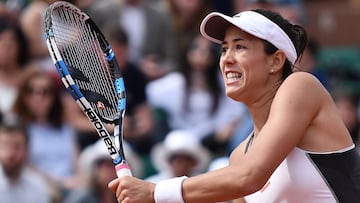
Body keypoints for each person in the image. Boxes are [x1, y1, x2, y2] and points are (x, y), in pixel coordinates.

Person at [108, 8, 360, 203]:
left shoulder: (302, 86)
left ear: (276, 61)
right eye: (224, 49)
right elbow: (242, 177)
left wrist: (154, 191)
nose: (227, 59)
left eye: (240, 47)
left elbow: (249, 177)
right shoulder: (239, 156)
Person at [11, 66, 82, 201]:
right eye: (31, 91)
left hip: (72, 188)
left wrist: (81, 180)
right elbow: (25, 166)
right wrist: (59, 182)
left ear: (53, 97)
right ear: (23, 96)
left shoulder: (64, 127)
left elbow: (77, 162)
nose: (38, 97)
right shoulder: (18, 128)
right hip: (38, 189)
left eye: (45, 92)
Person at [0, 115, 51, 203]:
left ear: (27, 150)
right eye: (5, 145)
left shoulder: (38, 188)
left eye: (17, 146)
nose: (11, 153)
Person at [145, 130, 211, 183]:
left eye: (185, 158)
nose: (179, 162)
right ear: (169, 161)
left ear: (193, 162)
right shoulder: (153, 184)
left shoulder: (202, 184)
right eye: (175, 158)